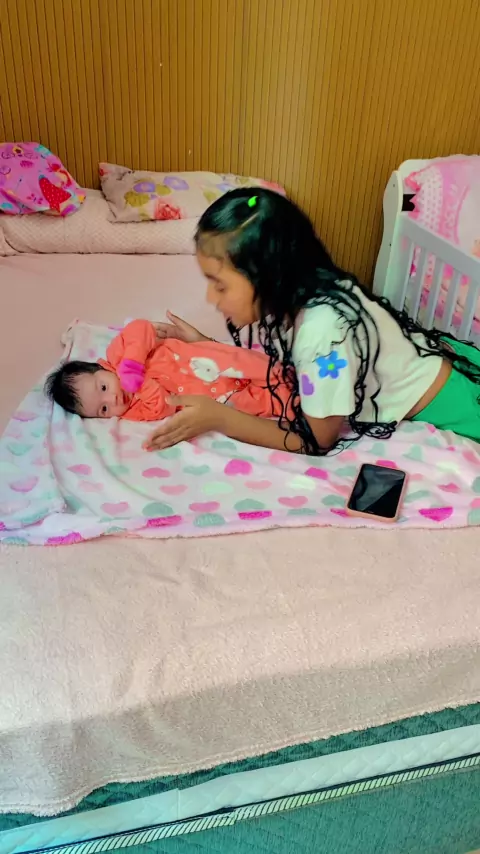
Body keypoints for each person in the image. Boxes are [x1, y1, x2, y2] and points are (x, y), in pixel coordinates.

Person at [146, 187, 480, 454]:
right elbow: (290, 369)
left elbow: (317, 438)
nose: (211, 298)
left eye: (220, 285)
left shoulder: (322, 329)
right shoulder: (308, 291)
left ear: (268, 277)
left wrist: (220, 418)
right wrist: (207, 346)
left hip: (457, 406)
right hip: (442, 367)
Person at [44, 319, 291, 421]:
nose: (113, 399)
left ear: (101, 368)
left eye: (103, 387)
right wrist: (141, 385)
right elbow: (164, 407)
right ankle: (296, 405)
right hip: (220, 397)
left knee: (250, 363)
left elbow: (141, 328)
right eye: (104, 409)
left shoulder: (118, 354)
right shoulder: (134, 412)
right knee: (261, 405)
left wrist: (132, 365)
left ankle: (288, 374)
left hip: (210, 362)